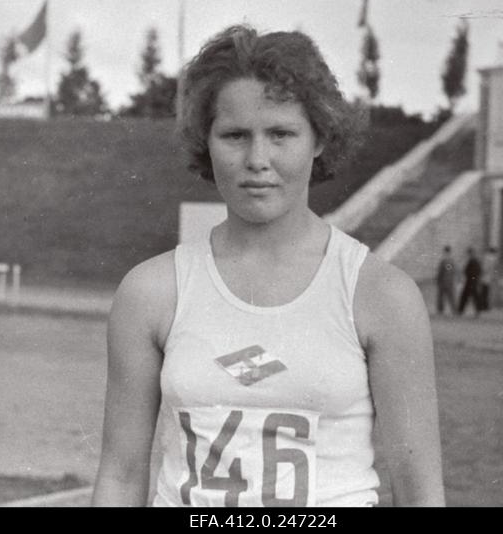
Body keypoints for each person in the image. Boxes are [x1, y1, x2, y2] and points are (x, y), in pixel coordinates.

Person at [92, 25, 444, 507]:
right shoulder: (152, 292)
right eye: (235, 135)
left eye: (281, 134)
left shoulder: (380, 294)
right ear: (206, 141)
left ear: (319, 138)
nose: (258, 159)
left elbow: (420, 494)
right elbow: (120, 476)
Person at [457, 247, 482, 317]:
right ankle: (476, 310)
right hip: (472, 281)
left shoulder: (473, 261)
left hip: (471, 281)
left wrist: (468, 274)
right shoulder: (474, 261)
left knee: (466, 296)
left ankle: (461, 310)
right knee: (472, 296)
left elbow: (469, 271)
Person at [435, 245, 456, 316]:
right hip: (450, 281)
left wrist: (438, 279)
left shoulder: (444, 260)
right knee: (451, 296)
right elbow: (452, 271)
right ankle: (453, 309)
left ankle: (441, 310)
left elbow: (441, 271)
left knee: (441, 296)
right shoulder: (451, 260)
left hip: (444, 281)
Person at [478, 246, 498, 311]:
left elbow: (485, 268)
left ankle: (483, 306)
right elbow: (489, 268)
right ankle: (485, 306)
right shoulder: (491, 258)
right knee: (486, 292)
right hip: (487, 278)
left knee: (484, 292)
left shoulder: (487, 257)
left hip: (485, 277)